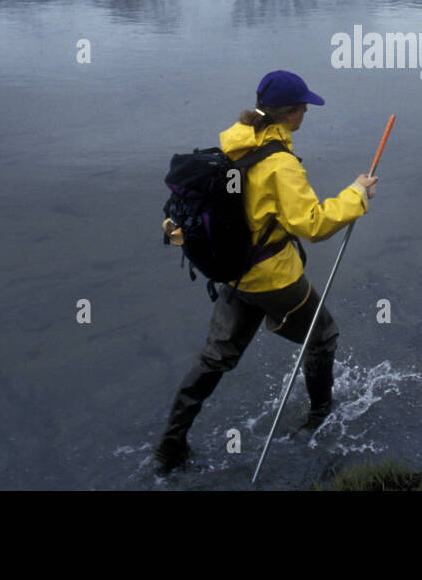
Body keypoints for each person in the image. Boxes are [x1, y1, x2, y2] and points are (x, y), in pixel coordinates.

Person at [154, 70, 379, 474]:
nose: (307, 112)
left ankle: (170, 445)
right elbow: (312, 225)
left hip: (235, 271)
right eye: (303, 107)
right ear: (291, 114)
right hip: (273, 278)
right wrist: (357, 194)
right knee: (323, 336)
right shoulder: (280, 164)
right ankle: (319, 416)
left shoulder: (237, 140)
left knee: (215, 358)